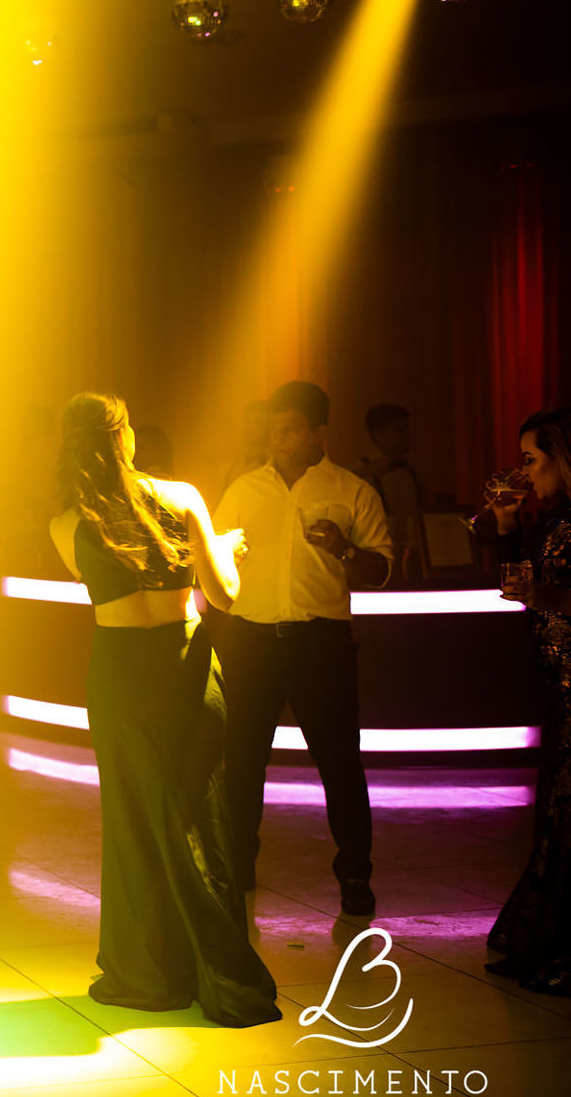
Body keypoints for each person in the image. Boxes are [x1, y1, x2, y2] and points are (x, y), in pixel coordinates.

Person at [49, 393, 280, 1028]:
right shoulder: (182, 497)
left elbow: (100, 579)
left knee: (132, 821)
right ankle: (225, 977)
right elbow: (223, 596)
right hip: (186, 669)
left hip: (120, 676)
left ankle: (149, 972)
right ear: (125, 437)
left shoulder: (65, 524)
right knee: (201, 818)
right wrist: (224, 553)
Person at [215, 381, 393, 917]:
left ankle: (355, 875)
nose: (277, 438)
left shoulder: (353, 490)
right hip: (251, 639)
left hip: (321, 642)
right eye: (273, 429)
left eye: (289, 429)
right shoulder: (243, 488)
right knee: (241, 760)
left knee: (339, 763)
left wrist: (343, 549)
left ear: (320, 433)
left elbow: (382, 570)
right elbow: (212, 560)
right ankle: (236, 866)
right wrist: (225, 556)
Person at [487, 407, 571, 996]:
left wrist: (542, 595)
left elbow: (549, 592)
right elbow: (522, 582)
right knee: (558, 809)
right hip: (556, 679)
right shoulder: (554, 518)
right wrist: (505, 526)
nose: (526, 471)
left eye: (532, 459)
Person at [357, 403, 427, 584]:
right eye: (400, 430)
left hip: (413, 560)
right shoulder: (361, 476)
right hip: (380, 562)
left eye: (407, 429)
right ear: (379, 434)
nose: (408, 435)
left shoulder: (412, 469)